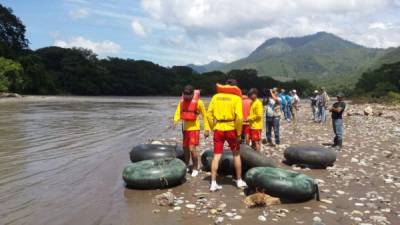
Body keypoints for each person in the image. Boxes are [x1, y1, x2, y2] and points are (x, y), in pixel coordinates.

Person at [207, 79, 247, 191]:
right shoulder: (236, 98)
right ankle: (239, 181)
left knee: (216, 155)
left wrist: (212, 127)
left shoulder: (215, 97)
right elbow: (239, 117)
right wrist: (239, 133)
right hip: (231, 129)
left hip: (218, 128)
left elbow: (209, 114)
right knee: (236, 154)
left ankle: (213, 183)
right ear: (235, 87)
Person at [173, 85, 210, 177]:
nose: (186, 97)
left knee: (192, 149)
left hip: (194, 129)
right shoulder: (181, 102)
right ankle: (186, 165)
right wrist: (175, 121)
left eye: (188, 95)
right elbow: (177, 113)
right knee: (185, 148)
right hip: (185, 128)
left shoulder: (199, 102)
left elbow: (205, 116)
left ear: (192, 94)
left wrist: (206, 129)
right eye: (185, 95)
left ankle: (195, 168)